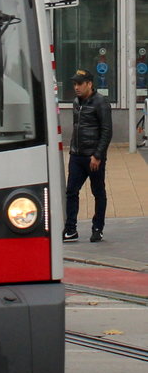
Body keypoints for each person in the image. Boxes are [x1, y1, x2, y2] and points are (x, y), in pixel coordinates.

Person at [64, 68, 113, 243]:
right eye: (74, 84)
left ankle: (97, 228)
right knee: (71, 192)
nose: (76, 87)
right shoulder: (76, 102)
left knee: (98, 192)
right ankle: (70, 229)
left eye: (79, 84)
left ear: (89, 84)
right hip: (77, 155)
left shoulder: (101, 103)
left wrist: (98, 155)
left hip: (93, 158)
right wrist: (72, 150)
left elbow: (107, 131)